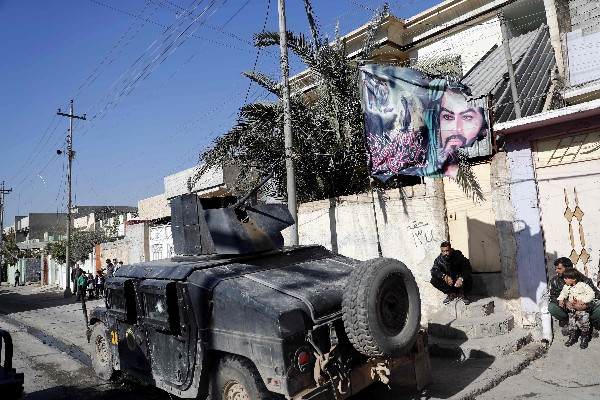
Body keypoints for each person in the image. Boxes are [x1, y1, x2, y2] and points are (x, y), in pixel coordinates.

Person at [548, 257, 600, 341]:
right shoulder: (555, 281)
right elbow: (553, 297)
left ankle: (590, 325)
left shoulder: (583, 280)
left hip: (584, 308)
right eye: (556, 268)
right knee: (551, 307)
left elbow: (596, 295)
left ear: (568, 268)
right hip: (568, 309)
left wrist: (586, 305)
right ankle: (569, 323)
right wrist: (565, 302)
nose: (557, 271)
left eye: (559, 268)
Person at [557, 267, 596, 349]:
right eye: (564, 278)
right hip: (572, 310)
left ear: (574, 279)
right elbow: (563, 294)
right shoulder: (566, 287)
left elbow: (591, 294)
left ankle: (585, 337)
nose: (564, 280)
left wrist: (584, 301)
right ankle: (572, 337)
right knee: (572, 323)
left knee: (584, 323)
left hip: (582, 310)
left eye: (566, 278)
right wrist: (561, 299)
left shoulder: (583, 285)